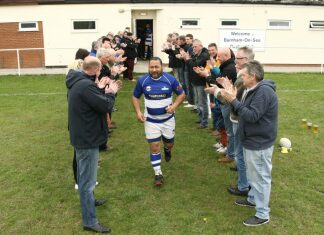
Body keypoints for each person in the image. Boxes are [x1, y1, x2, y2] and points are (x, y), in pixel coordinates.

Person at [66, 56, 122, 233]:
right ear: (96, 70)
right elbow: (105, 106)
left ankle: (90, 202)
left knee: (86, 179)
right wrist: (111, 91)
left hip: (82, 135)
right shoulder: (85, 85)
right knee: (87, 182)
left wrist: (99, 88)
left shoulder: (79, 81)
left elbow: (92, 101)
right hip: (87, 139)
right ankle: (89, 221)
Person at [220, 60, 278, 226]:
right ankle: (253, 199)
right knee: (254, 175)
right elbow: (244, 111)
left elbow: (252, 115)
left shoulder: (263, 92)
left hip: (259, 142)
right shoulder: (251, 89)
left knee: (260, 177)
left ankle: (262, 214)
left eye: (243, 75)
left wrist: (233, 100)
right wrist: (232, 96)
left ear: (253, 76)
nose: (241, 78)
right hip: (251, 139)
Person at [132, 57, 185, 186]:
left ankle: (167, 150)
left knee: (169, 144)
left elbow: (182, 94)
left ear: (162, 67)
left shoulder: (170, 79)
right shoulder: (142, 80)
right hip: (151, 121)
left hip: (167, 120)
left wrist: (174, 106)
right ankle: (158, 173)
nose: (154, 70)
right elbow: (135, 96)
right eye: (152, 67)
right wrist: (138, 112)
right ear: (148, 68)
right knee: (154, 146)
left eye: (157, 67)